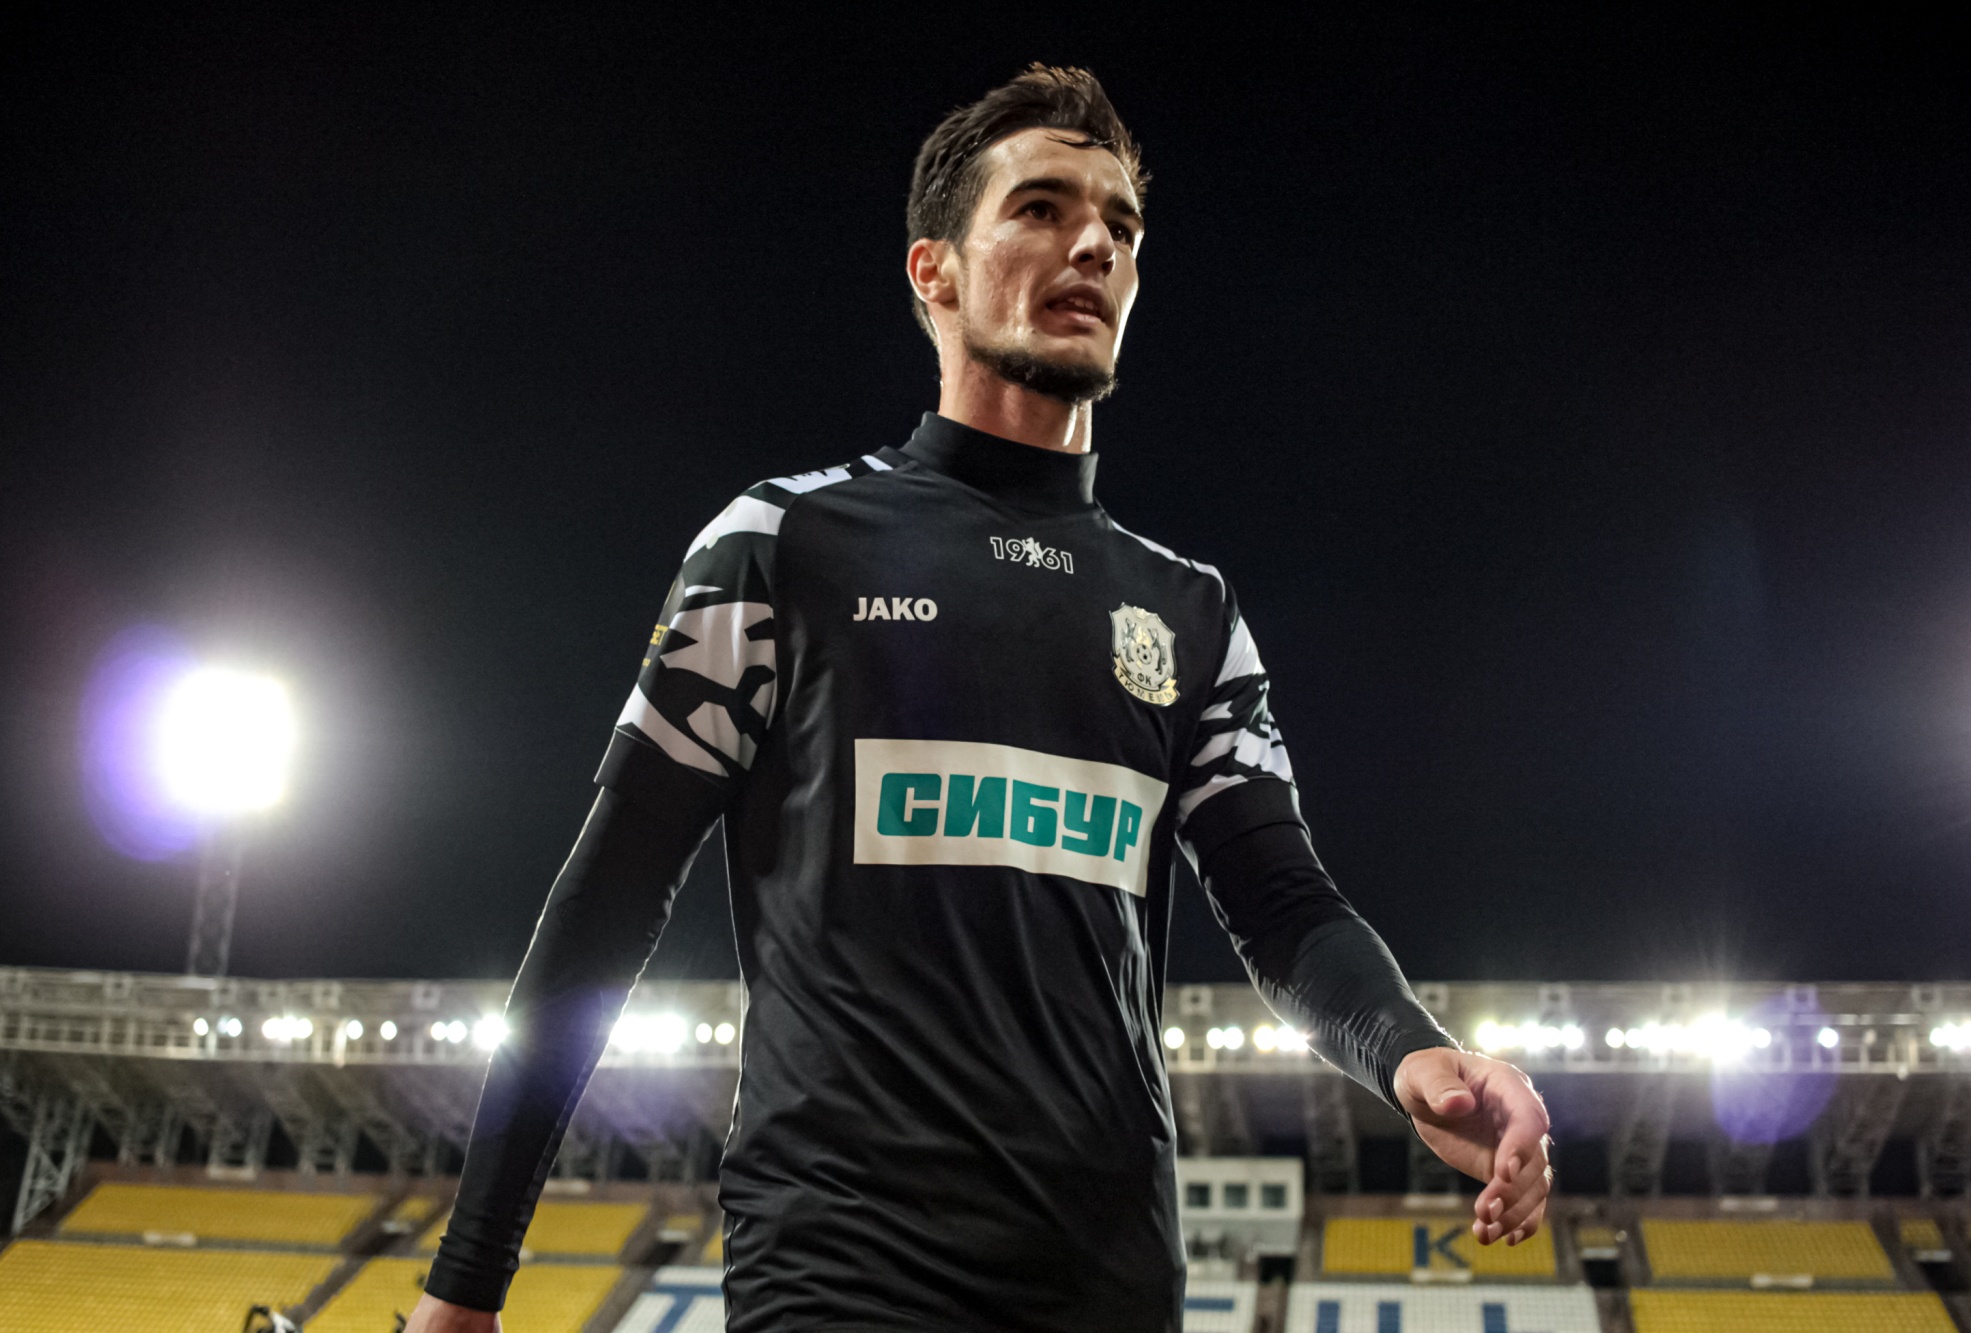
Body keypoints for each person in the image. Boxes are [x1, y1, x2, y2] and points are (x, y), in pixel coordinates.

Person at [408, 64, 1551, 1333]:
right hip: (838, 1269)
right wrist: (469, 1278)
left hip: (1110, 1281)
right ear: (934, 272)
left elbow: (1281, 904)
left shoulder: (1186, 610)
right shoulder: (779, 546)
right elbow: (608, 902)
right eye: (1041, 208)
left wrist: (1411, 1050)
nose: (1093, 246)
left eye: (1120, 226)